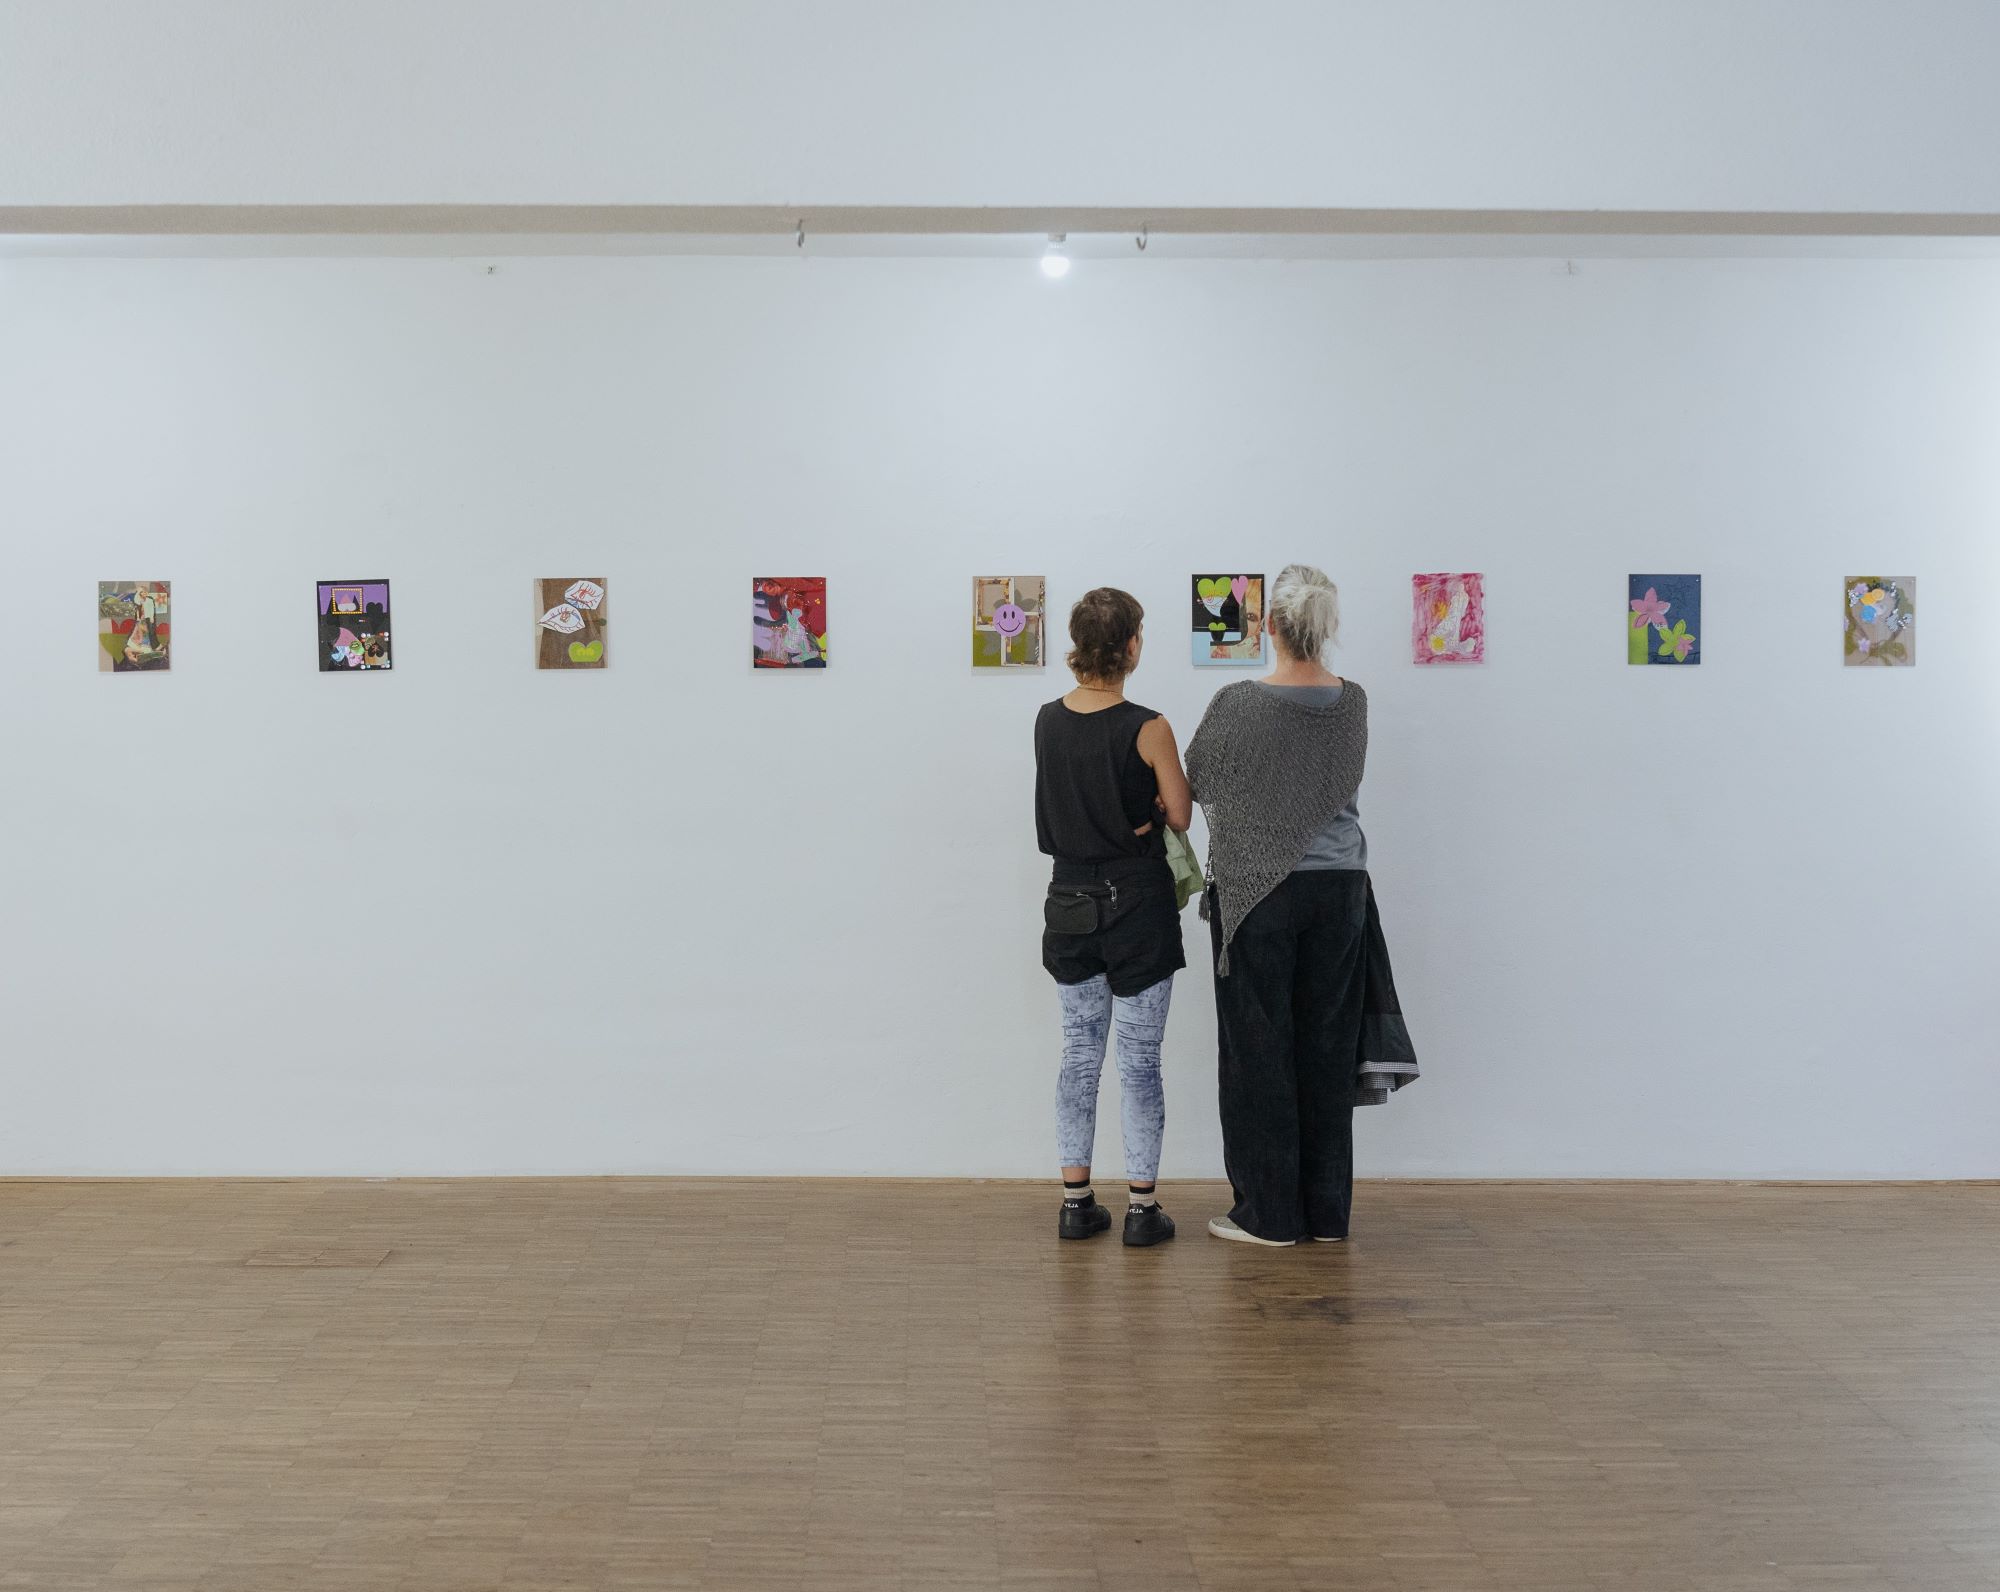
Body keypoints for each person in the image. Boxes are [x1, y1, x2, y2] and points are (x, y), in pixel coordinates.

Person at [1186, 562, 1404, 1247]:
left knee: (1259, 1051)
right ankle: (1325, 1215)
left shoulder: (1237, 703)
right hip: (1340, 892)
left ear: (1270, 625)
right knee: (1326, 1050)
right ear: (1324, 626)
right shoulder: (1355, 701)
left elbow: (1200, 783)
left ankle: (1269, 1216)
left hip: (1258, 893)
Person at [1035, 587, 1192, 1247]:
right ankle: (1141, 1209)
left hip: (1069, 901)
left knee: (1078, 1050)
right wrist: (1150, 806)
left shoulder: (1046, 718)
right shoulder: (1148, 725)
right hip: (1137, 906)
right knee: (1138, 1057)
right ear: (1129, 646)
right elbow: (1180, 815)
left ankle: (1076, 1203)